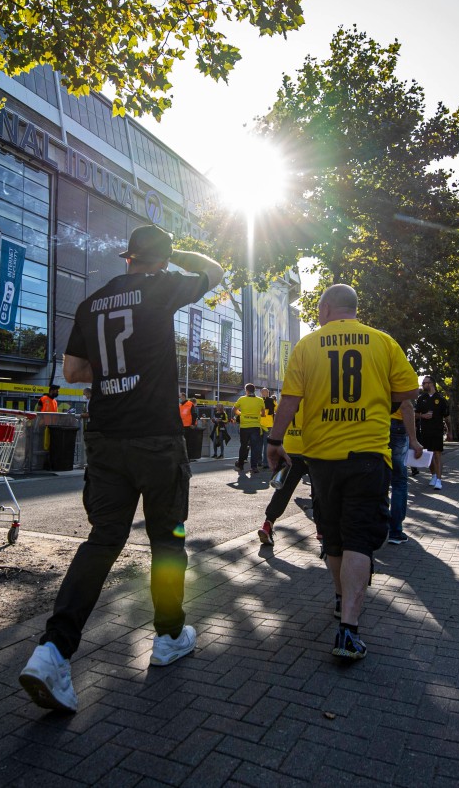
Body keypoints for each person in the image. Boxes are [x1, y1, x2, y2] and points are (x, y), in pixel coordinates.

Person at [18, 224, 222, 712]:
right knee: (166, 540)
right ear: (161, 261)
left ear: (127, 257)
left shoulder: (92, 302)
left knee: (103, 541)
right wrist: (181, 255)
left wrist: (113, 372)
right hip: (155, 438)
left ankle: (53, 649)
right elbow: (213, 272)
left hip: (106, 439)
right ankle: (169, 635)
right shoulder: (163, 286)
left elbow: (72, 372)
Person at [265, 284, 420, 661]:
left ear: (327, 307)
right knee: (358, 540)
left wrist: (274, 440)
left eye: (318, 308)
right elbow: (406, 395)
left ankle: (339, 598)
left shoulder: (307, 345)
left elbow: (290, 399)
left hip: (321, 461)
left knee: (333, 538)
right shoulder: (383, 342)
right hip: (368, 457)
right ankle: (348, 630)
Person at [257, 401, 309, 547]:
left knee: (282, 491)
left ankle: (268, 524)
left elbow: (278, 423)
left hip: (289, 451)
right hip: (313, 450)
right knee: (319, 492)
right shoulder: (316, 394)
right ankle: (322, 530)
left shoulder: (287, 400)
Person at [387, 395, 420, 544]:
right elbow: (406, 405)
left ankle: (375, 527)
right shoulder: (398, 371)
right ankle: (395, 531)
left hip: (374, 424)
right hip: (397, 426)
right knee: (399, 481)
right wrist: (413, 440)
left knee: (376, 478)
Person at [414, 376, 448, 489]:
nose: (423, 385)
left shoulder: (441, 399)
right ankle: (433, 475)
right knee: (429, 455)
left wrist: (450, 432)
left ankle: (439, 480)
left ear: (431, 384)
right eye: (423, 383)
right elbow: (414, 414)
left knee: (437, 454)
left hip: (437, 431)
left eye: (425, 383)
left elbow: (447, 417)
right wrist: (422, 415)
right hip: (425, 431)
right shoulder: (421, 398)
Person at [233, 383, 265, 475]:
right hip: (255, 427)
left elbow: (234, 410)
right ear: (254, 390)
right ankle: (254, 467)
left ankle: (241, 464)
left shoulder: (242, 399)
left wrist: (241, 414)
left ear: (246, 390)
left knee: (243, 446)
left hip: (244, 427)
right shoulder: (260, 400)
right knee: (255, 447)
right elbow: (263, 414)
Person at [258, 387, 276, 469]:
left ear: (261, 393)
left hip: (258, 425)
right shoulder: (272, 401)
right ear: (268, 393)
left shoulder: (258, 400)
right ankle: (265, 463)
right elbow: (278, 409)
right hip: (268, 425)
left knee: (258, 444)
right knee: (266, 445)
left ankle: (258, 461)